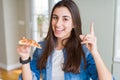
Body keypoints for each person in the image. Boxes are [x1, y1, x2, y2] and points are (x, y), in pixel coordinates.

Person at [17, 0, 114, 80]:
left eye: (65, 19)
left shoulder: (84, 50)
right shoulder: (41, 48)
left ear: (74, 24)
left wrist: (95, 52)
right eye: (55, 17)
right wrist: (25, 59)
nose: (58, 24)